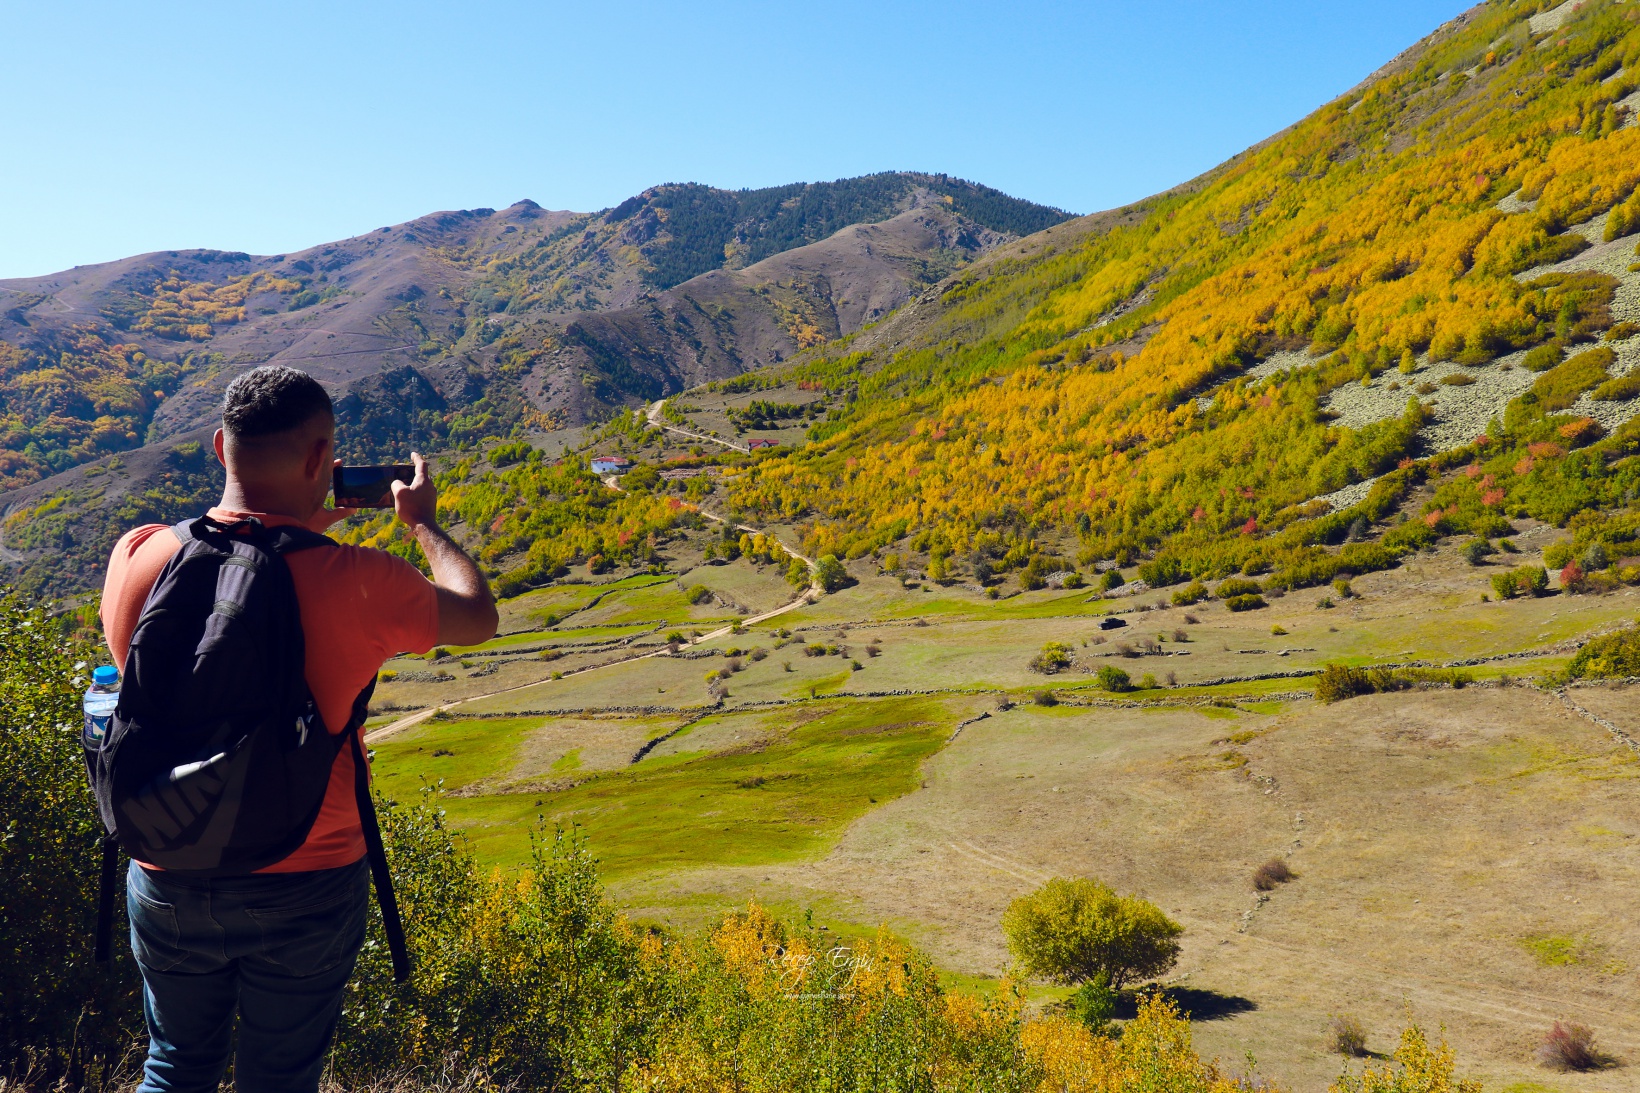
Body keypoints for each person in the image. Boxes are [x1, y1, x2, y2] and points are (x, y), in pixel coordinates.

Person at [100, 365, 498, 1093]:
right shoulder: (364, 579)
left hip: (166, 855)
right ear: (322, 459)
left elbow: (181, 648)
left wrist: (299, 514)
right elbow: (476, 614)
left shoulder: (138, 557)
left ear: (221, 447)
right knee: (278, 1078)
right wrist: (424, 524)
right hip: (309, 874)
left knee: (175, 1062)